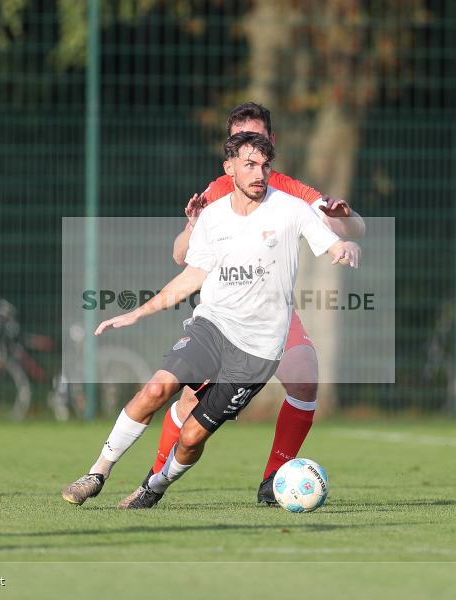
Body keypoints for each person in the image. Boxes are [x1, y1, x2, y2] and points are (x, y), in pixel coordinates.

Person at [61, 132, 360, 509]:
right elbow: (192, 276)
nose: (259, 173)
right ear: (229, 167)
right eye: (249, 164)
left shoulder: (290, 209)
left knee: (191, 438)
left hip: (257, 352)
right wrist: (138, 312)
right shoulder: (214, 217)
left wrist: (345, 246)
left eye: (265, 165)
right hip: (212, 327)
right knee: (156, 390)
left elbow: (333, 242)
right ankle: (97, 473)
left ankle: (153, 486)